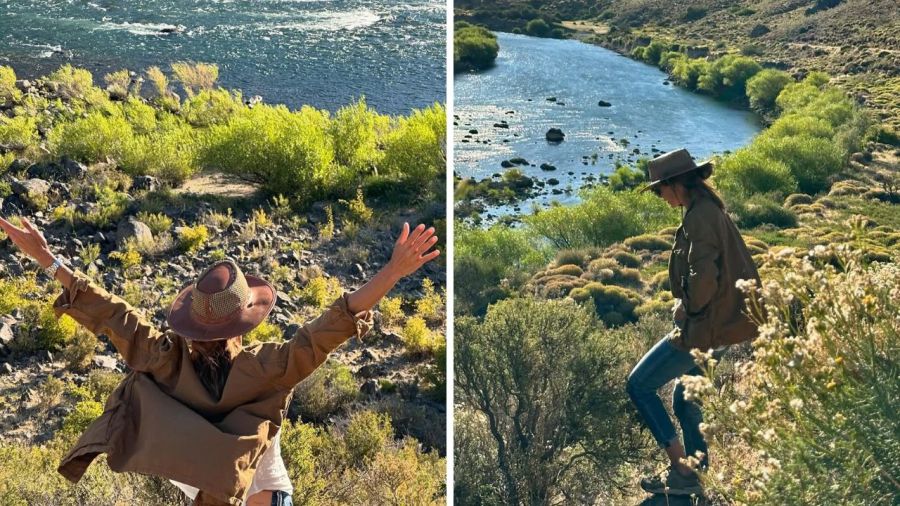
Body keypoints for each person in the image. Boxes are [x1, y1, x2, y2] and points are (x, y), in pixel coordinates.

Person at [0, 216, 440, 506]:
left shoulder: (162, 361)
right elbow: (334, 323)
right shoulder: (269, 369)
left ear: (192, 320)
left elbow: (113, 313)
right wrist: (394, 271)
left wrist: (48, 258)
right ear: (245, 321)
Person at [626, 148, 761, 496]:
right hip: (720, 328)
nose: (659, 196)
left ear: (674, 185)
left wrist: (685, 308)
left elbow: (703, 280)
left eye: (659, 189)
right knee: (686, 401)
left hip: (704, 329)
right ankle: (697, 475)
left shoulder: (699, 216)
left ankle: (682, 469)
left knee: (638, 385)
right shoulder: (708, 209)